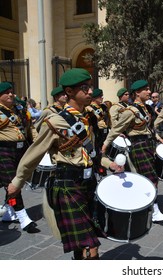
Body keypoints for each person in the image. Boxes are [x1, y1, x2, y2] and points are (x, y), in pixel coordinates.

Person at [6, 68, 108, 260]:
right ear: (69, 92)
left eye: (90, 87)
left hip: (88, 183)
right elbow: (35, 153)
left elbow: (92, 152)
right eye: (84, 88)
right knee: (91, 244)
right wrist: (18, 181)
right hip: (67, 185)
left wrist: (110, 164)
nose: (90, 92)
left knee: (83, 242)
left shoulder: (89, 117)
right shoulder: (54, 121)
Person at [101, 80, 163, 226]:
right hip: (138, 145)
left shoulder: (145, 108)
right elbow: (116, 129)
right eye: (145, 90)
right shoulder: (130, 111)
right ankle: (154, 212)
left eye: (148, 89)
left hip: (148, 144)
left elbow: (149, 129)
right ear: (137, 93)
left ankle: (147, 207)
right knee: (150, 178)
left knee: (151, 177)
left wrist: (159, 139)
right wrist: (105, 144)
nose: (149, 92)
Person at [0, 81, 39, 233]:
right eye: (6, 92)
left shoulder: (19, 110)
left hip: (20, 150)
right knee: (12, 183)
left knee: (19, 180)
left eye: (11, 91)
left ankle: (9, 213)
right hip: (4, 150)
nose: (11, 94)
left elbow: (29, 128)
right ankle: (23, 218)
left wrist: (36, 143)